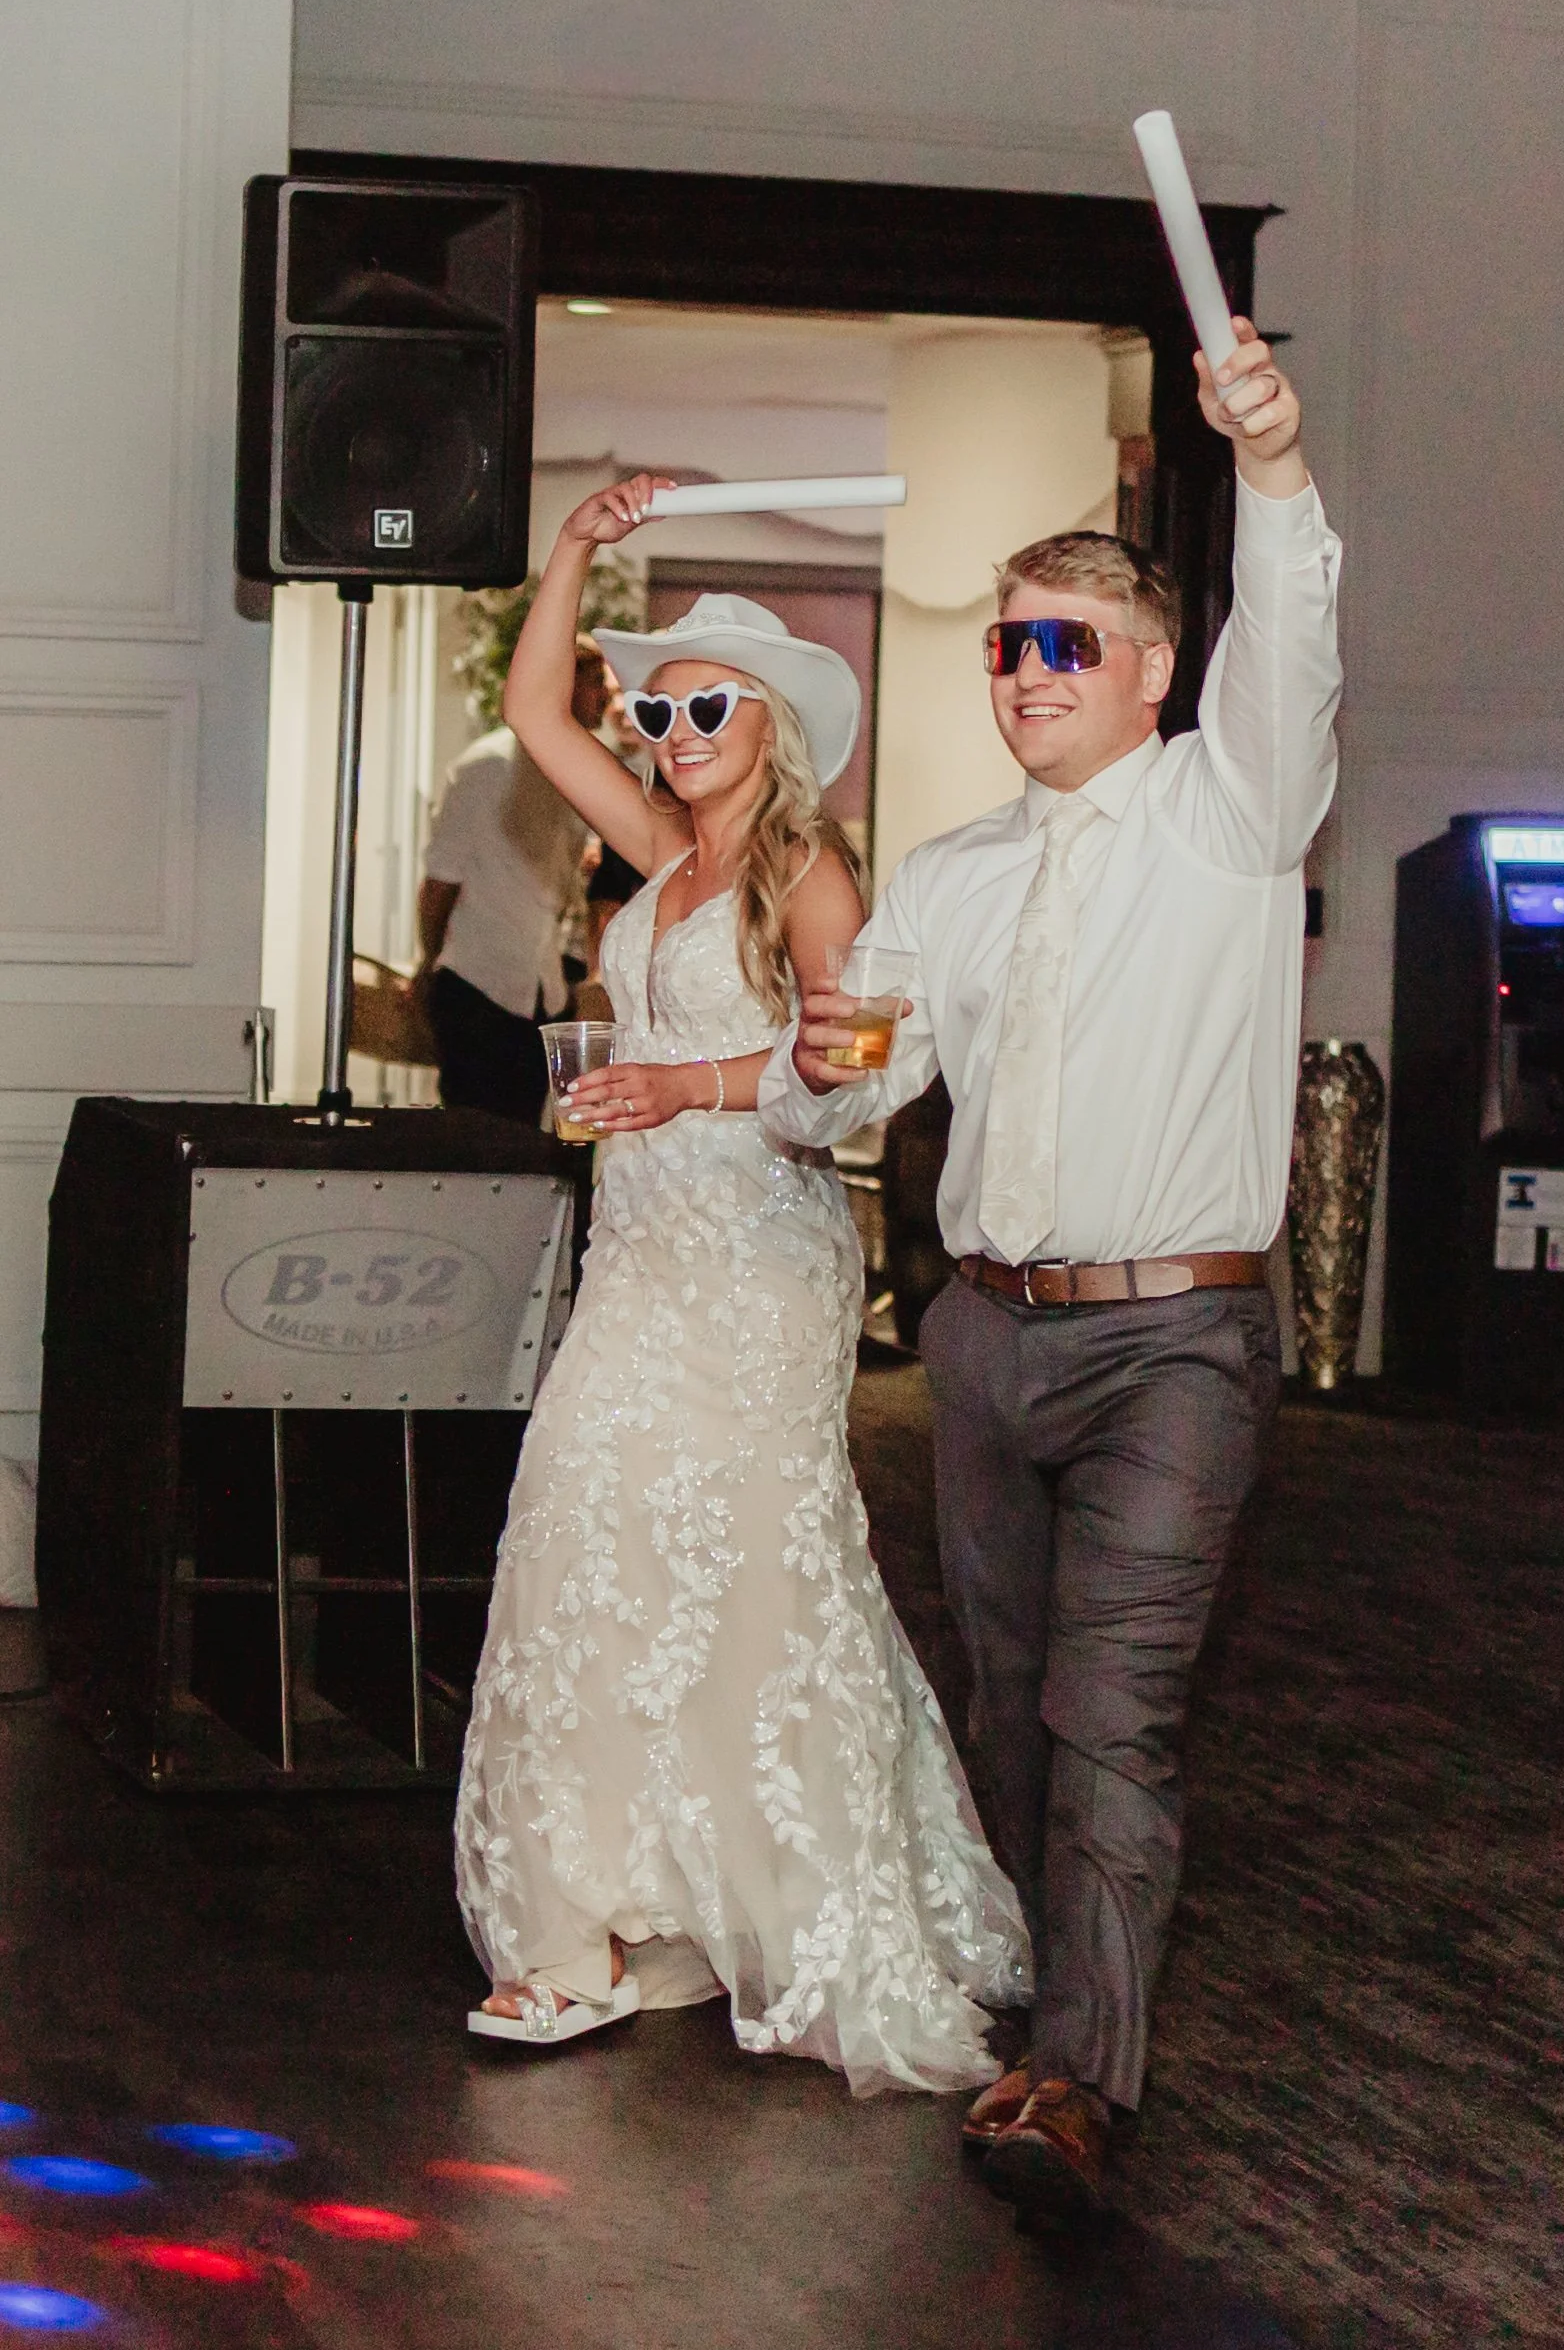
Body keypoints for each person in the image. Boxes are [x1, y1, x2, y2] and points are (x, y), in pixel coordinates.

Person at [760, 320, 1342, 2217]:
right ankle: (1044, 1991)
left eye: (1058, 643)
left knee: (1114, 1706)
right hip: (983, 1338)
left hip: (1176, 1334)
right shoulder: (950, 868)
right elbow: (858, 1076)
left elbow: (1295, 624)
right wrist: (811, 1059)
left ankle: (1083, 2068)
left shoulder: (1234, 812)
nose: (1019, 672)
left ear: (1153, 673)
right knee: (1012, 1694)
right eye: (1002, 644)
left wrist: (1264, 458)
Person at [454, 475, 1030, 2095]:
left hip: (755, 1270)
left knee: (747, 1564)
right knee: (586, 1531)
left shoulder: (809, 876)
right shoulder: (655, 855)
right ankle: (608, 1914)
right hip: (639, 1256)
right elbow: (528, 708)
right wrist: (574, 544)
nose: (670, 724)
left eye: (705, 702)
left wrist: (680, 1085)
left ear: (768, 722)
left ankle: (723, 1901)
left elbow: (849, 1067)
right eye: (658, 702)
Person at [416, 639, 613, 1122]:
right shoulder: (487, 767)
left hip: (544, 993)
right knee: (478, 1144)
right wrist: (429, 960)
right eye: (595, 683)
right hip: (479, 989)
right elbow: (441, 881)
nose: (607, 695)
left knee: (531, 1140)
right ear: (565, 687)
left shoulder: (574, 770)